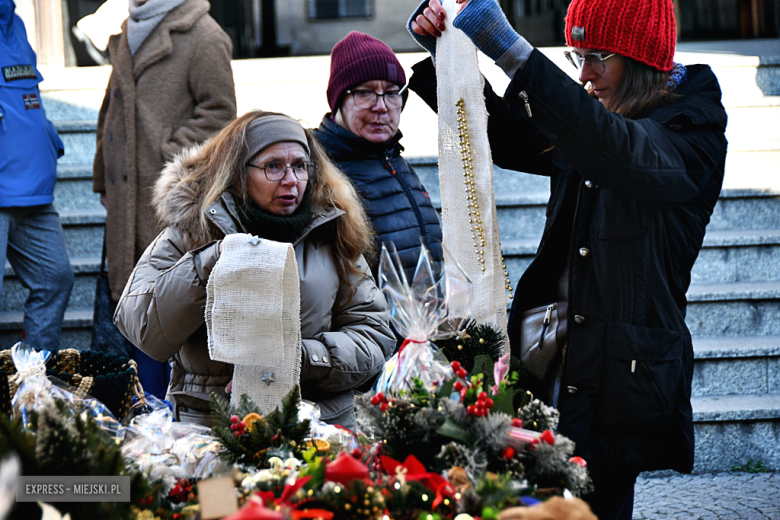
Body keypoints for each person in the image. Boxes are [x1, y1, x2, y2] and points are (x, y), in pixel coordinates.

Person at [409, 0, 727, 518]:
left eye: (600, 55)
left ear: (644, 57)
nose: (585, 74)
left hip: (620, 375)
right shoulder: (596, 115)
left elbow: (615, 149)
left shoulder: (692, 132)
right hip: (553, 360)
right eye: (577, 54)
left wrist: (511, 50)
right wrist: (452, 59)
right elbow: (514, 137)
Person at [114, 111, 396, 429]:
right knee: (212, 484)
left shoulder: (332, 231)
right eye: (273, 166)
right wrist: (209, 262)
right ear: (238, 173)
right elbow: (142, 326)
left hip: (319, 430)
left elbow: (373, 337)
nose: (291, 180)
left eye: (300, 166)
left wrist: (297, 358)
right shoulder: (193, 231)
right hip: (212, 431)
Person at [93, 0, 237, 396]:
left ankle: (163, 412)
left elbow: (222, 114)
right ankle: (139, 409)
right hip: (125, 197)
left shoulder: (205, 34)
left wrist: (166, 155)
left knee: (164, 308)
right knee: (131, 301)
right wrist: (102, 177)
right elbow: (112, 108)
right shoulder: (129, 29)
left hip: (169, 202)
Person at [312, 31, 443, 283]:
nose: (381, 106)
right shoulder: (317, 169)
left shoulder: (395, 160)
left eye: (392, 93)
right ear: (338, 101)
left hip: (422, 320)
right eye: (365, 93)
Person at [0, 0, 74, 350]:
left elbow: (27, 93)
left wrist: (46, 136)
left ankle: (34, 382)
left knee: (55, 278)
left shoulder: (15, 23)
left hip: (34, 187)